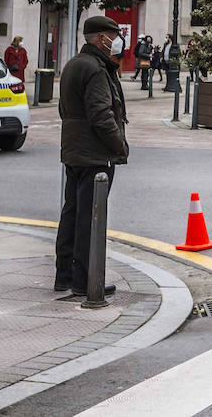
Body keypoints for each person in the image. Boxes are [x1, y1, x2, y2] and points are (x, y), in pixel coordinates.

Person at [55, 16, 129, 297]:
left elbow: (65, 109)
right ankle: (85, 281)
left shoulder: (74, 64)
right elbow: (101, 115)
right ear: (101, 38)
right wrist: (119, 145)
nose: (118, 40)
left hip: (74, 151)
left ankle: (64, 275)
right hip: (95, 154)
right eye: (114, 35)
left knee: (72, 213)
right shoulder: (96, 69)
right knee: (90, 217)